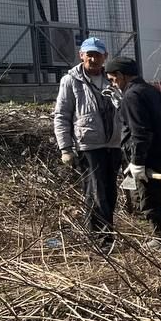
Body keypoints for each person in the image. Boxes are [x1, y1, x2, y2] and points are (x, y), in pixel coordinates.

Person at [104, 57, 161, 250]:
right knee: (148, 197)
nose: (113, 84)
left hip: (149, 157)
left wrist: (138, 161)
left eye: (113, 79)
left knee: (149, 202)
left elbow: (140, 132)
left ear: (122, 76)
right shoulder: (152, 91)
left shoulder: (133, 96)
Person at [52, 36, 122, 251]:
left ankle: (102, 233)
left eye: (97, 55)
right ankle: (101, 239)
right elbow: (62, 115)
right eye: (89, 54)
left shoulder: (111, 78)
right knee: (96, 191)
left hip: (113, 144)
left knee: (110, 192)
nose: (93, 59)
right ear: (81, 55)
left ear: (105, 57)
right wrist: (66, 148)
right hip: (89, 145)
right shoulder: (71, 80)